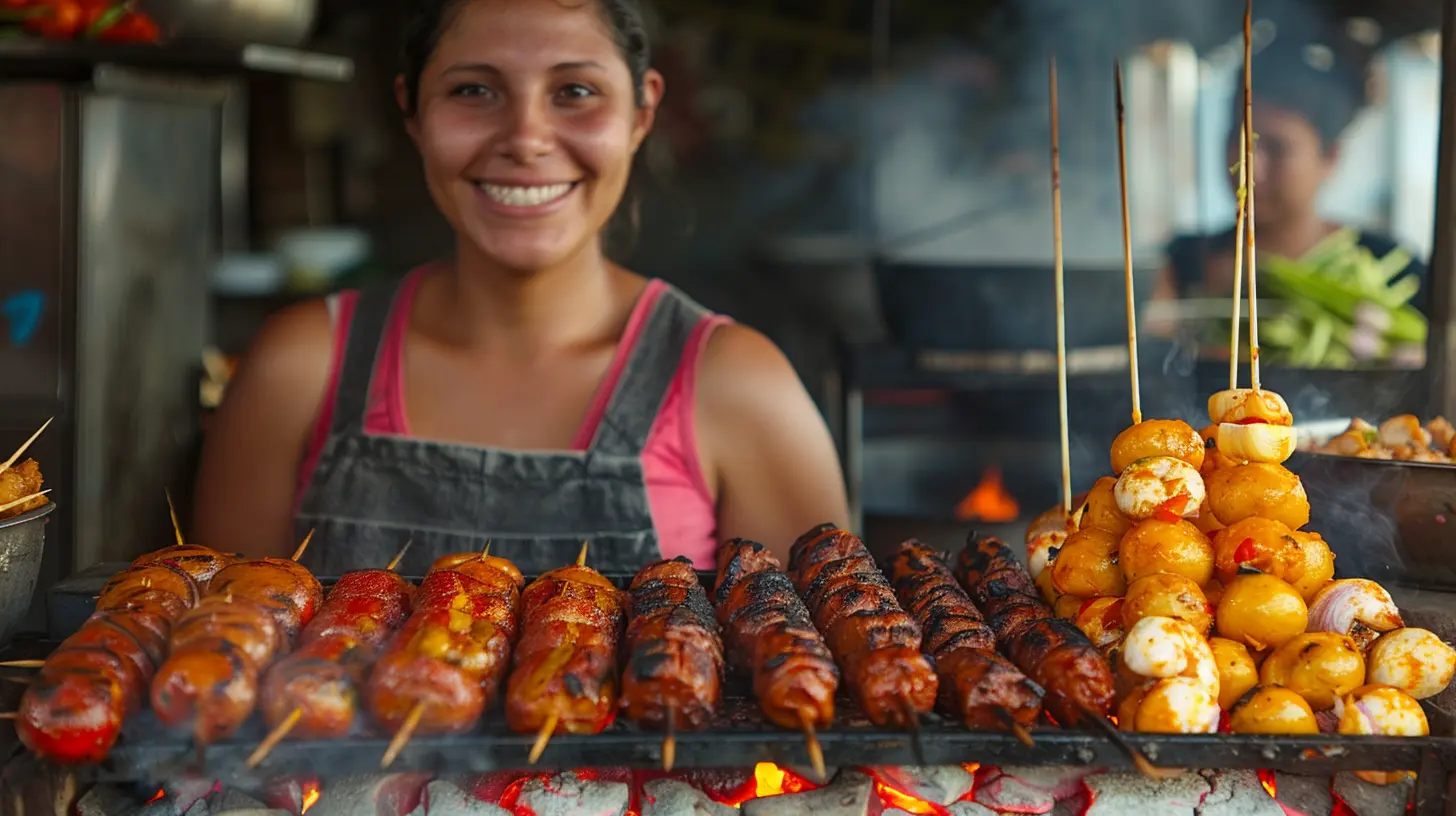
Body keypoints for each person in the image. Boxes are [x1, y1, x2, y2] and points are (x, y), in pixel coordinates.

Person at [191, 0, 849, 575]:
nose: (527, 139)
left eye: (576, 92)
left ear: (642, 113)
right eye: (474, 91)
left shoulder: (740, 388)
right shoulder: (299, 367)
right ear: (412, 112)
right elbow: (213, 670)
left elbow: (818, 691)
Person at [1155, 46, 1428, 316]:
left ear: (1330, 158)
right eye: (1239, 141)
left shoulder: (1395, 272)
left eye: (1276, 148)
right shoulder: (1184, 265)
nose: (1251, 168)